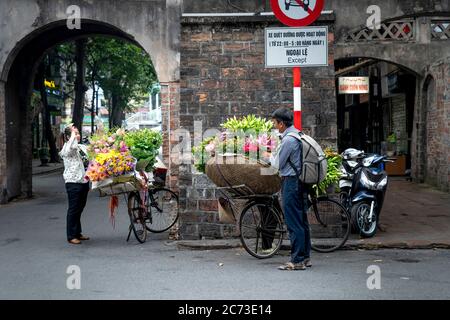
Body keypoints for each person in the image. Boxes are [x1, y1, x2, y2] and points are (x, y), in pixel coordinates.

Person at [269, 108, 311, 270]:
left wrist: (269, 156)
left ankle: (297, 260)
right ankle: (305, 256)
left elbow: (277, 164)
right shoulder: (298, 135)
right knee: (302, 221)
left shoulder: (288, 141)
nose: (274, 126)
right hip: (300, 181)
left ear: (281, 124)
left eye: (275, 123)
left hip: (291, 183)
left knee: (294, 222)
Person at [59, 124, 90, 245]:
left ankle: (77, 232)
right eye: (74, 133)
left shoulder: (81, 147)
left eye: (78, 133)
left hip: (83, 181)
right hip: (73, 183)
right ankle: (71, 236)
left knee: (80, 208)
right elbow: (71, 147)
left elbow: (93, 152)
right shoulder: (67, 148)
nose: (77, 135)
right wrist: (71, 135)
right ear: (68, 137)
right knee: (73, 209)